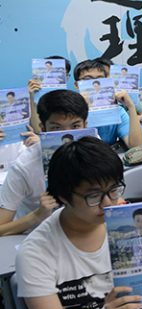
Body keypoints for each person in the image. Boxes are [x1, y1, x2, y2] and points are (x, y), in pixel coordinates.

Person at [15, 137, 142, 309]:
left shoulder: (130, 226)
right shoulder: (36, 252)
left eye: (114, 190)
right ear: (63, 196)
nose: (107, 203)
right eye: (93, 196)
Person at [0, 90, 89, 236]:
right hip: (37, 236)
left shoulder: (95, 151)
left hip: (82, 233)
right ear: (42, 129)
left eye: (75, 126)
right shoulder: (25, 166)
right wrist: (37, 215)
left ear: (86, 125)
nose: (65, 136)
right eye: (56, 128)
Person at [70, 60, 142, 148]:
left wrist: (131, 106)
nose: (94, 84)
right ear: (76, 85)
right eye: (87, 79)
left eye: (100, 79)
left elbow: (136, 146)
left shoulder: (118, 112)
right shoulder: (69, 112)